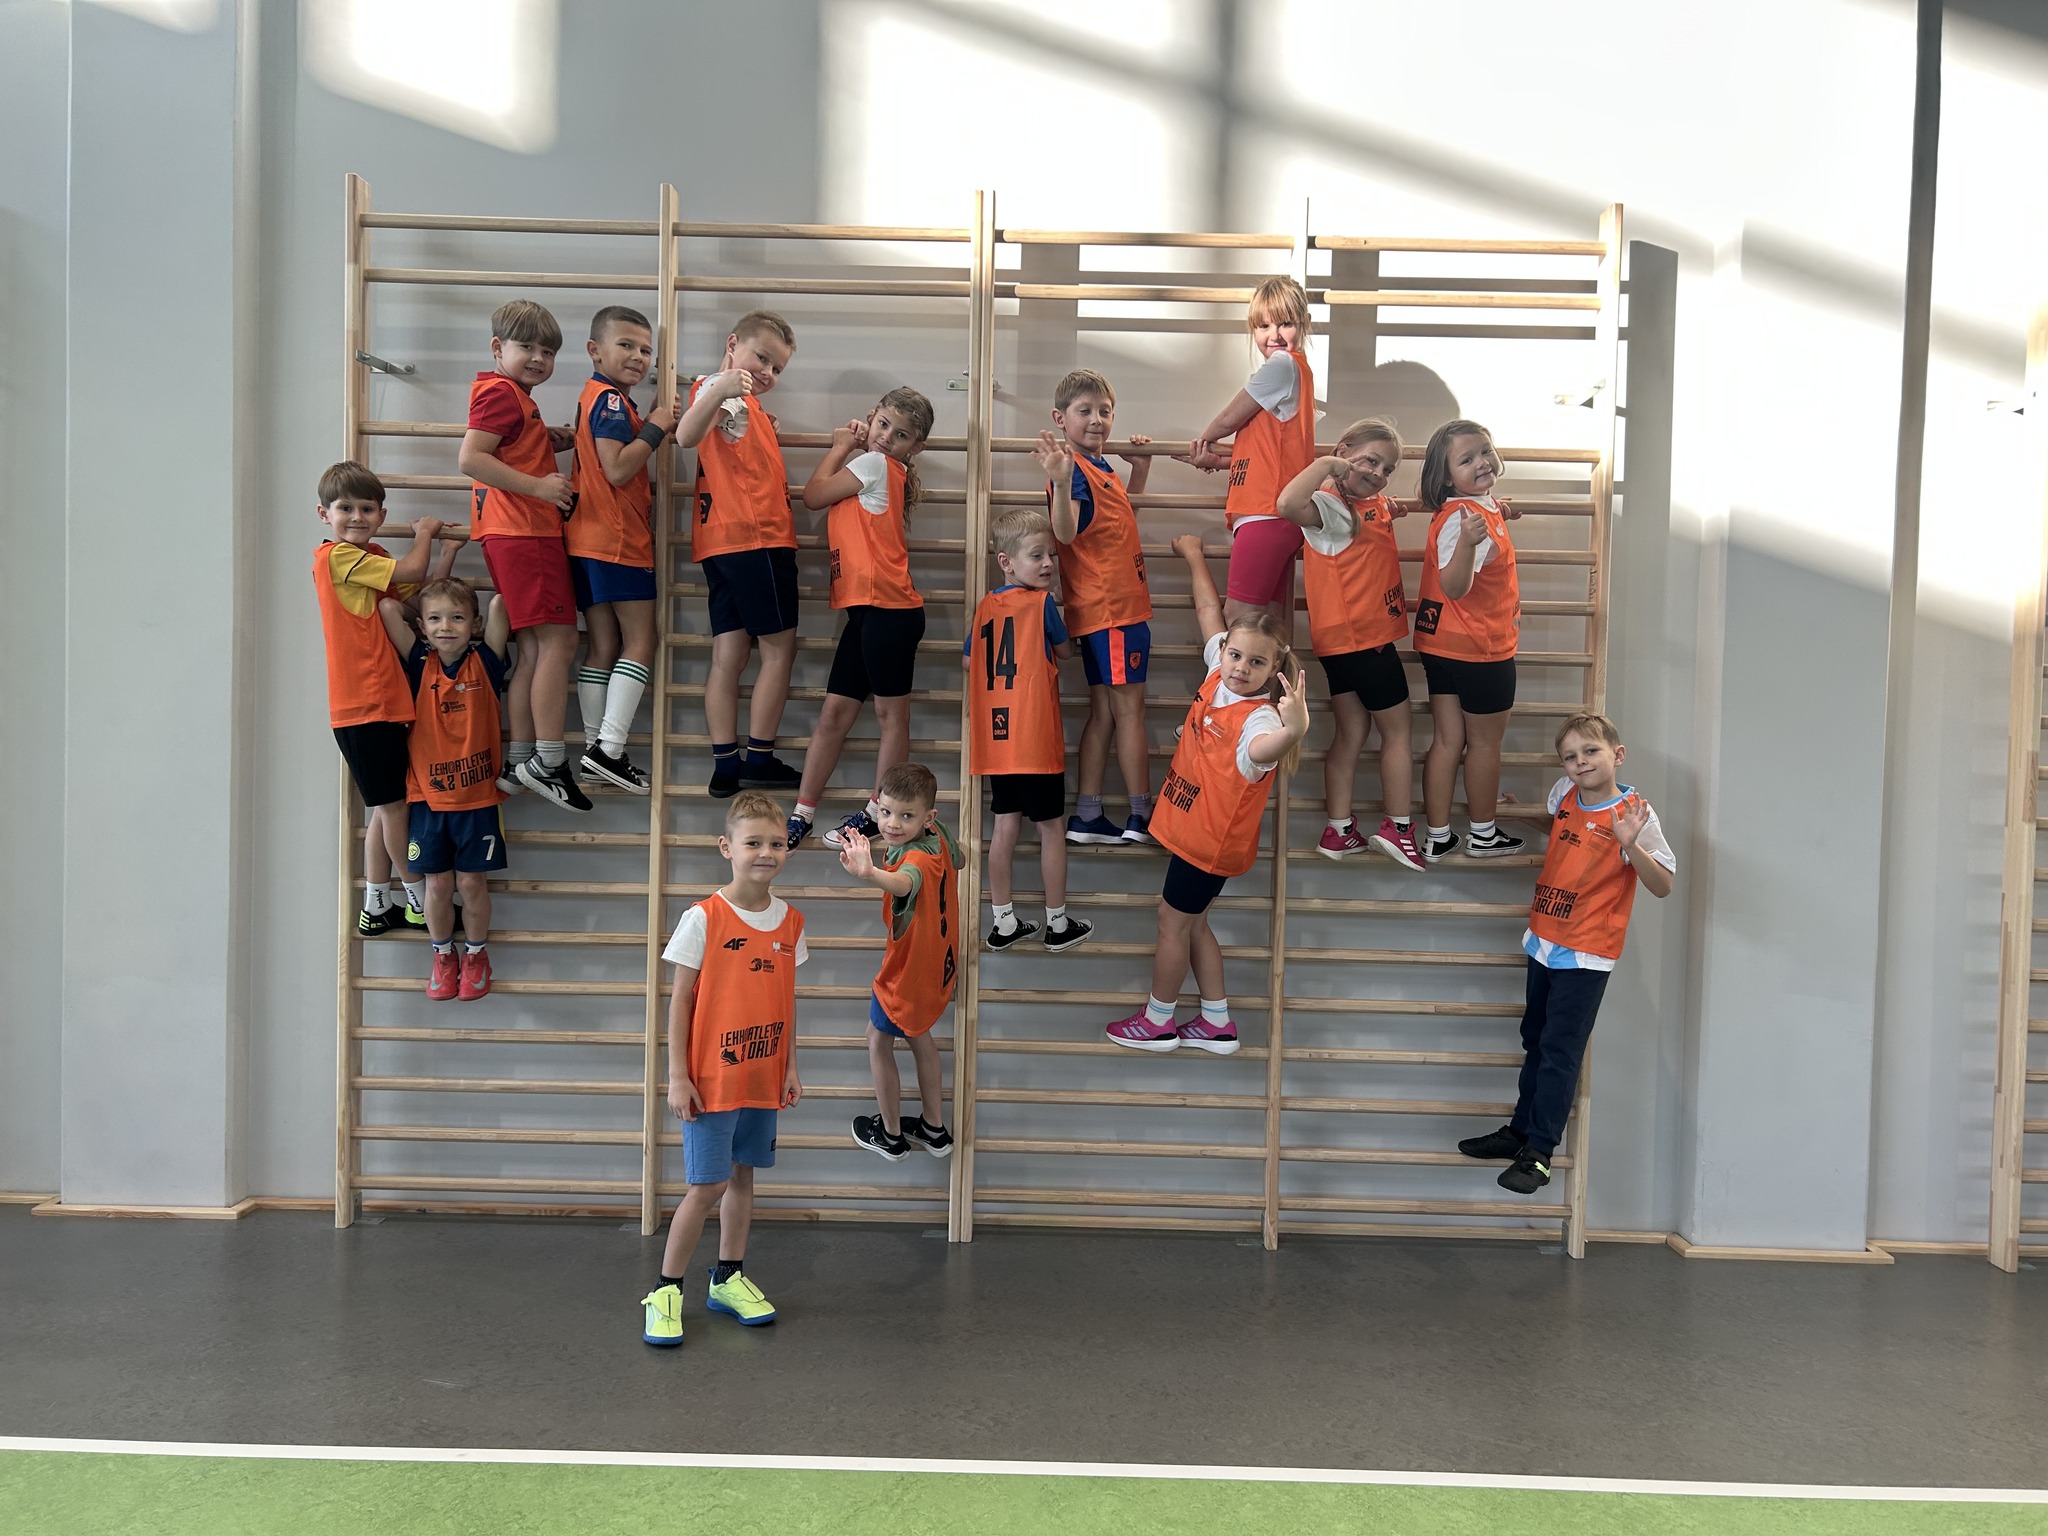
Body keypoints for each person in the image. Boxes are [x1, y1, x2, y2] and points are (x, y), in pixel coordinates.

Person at [1104, 536, 1308, 1055]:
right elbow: (1206, 611)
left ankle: (1158, 1020)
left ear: (1274, 672)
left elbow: (1264, 749)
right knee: (1194, 926)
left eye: (1256, 663)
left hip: (1208, 846)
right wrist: (1194, 556)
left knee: (1171, 924)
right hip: (1197, 835)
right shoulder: (1219, 672)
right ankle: (1217, 1022)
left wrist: (1295, 728)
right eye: (1236, 655)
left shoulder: (1259, 719)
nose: (1240, 667)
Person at [1458, 714, 1674, 1193]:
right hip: (1544, 940)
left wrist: (1631, 845)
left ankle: (1539, 1154)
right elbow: (1560, 826)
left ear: (1617, 755)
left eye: (1591, 751)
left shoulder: (1635, 814)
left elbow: (1663, 885)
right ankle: (1520, 1132)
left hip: (1587, 953)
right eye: (1570, 756)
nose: (1581, 762)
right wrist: (1520, 814)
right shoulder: (1565, 794)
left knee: (1560, 1052)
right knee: (1535, 1040)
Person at [642, 791, 806, 1347]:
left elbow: (785, 999)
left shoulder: (791, 922)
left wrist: (789, 1067)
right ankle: (665, 1289)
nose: (766, 853)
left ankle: (727, 1277)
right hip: (711, 1080)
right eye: (753, 842)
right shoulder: (703, 917)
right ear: (726, 847)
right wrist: (677, 1076)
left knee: (743, 1176)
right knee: (707, 1184)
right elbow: (680, 1003)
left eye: (777, 843)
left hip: (762, 1075)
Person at [786, 387, 936, 851]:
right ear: (872, 418)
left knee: (892, 717)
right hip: (867, 613)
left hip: (890, 612)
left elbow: (813, 496)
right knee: (834, 714)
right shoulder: (877, 466)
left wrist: (840, 447)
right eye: (883, 424)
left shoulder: (873, 464)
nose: (887, 437)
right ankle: (802, 811)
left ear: (916, 446)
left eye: (901, 434)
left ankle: (878, 813)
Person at [456, 298, 589, 813]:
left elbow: (502, 447)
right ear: (498, 347)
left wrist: (543, 439)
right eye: (527, 347)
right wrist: (538, 486)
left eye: (548, 351)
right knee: (559, 641)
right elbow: (471, 458)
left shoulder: (511, 396)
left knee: (535, 648)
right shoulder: (502, 394)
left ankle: (520, 759)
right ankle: (549, 762)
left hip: (509, 533)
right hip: (524, 533)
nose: (538, 358)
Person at [312, 459, 455, 936]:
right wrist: (426, 532)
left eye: (367, 508)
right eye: (345, 508)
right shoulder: (337, 557)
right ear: (324, 515)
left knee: (386, 805)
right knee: (395, 808)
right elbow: (412, 566)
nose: (357, 516)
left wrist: (446, 554)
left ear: (380, 514)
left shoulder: (370, 556)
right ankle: (416, 898)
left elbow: (417, 595)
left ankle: (376, 904)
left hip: (383, 700)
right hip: (363, 704)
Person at [1275, 418, 1424, 871]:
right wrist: (1325, 464)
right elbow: (1287, 504)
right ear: (1343, 452)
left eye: (1388, 469)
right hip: (1367, 641)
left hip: (1340, 645)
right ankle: (1398, 828)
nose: (1379, 474)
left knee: (1352, 733)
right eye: (1370, 461)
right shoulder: (1331, 507)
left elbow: (1372, 510)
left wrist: (1389, 505)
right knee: (1398, 733)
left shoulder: (1358, 503)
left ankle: (1338, 829)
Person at [674, 310, 803, 798]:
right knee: (778, 650)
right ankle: (760, 758)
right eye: (761, 358)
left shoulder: (738, 401)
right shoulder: (721, 390)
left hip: (723, 543)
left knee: (729, 654)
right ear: (733, 344)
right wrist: (725, 388)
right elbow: (685, 435)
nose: (768, 372)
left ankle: (725, 764)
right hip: (756, 540)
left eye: (778, 368)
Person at [966, 508, 1092, 952]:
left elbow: (967, 660)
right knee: (1050, 829)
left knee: (1004, 828)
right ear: (1006, 562)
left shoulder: (985, 607)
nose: (1048, 564)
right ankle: (1057, 923)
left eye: (1051, 556)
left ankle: (1003, 922)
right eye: (1037, 555)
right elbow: (1066, 652)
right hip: (1035, 739)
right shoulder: (1042, 605)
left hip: (997, 742)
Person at [1041, 369, 1157, 846]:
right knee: (1129, 712)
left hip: (1110, 611)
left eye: (1104, 411)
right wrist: (1060, 481)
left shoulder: (1099, 467)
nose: (1096, 420)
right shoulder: (1072, 470)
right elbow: (1065, 533)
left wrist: (1140, 470)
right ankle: (1141, 814)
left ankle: (1088, 814)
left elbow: (1118, 521)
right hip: (1112, 611)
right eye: (1084, 411)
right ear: (1060, 418)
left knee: (1107, 712)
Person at [379, 578, 510, 1001]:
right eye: (434, 619)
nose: (446, 627)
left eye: (456, 617)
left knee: (471, 884)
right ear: (422, 626)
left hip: (478, 800)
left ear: (474, 624)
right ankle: (442, 956)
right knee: (436, 886)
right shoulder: (420, 662)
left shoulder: (486, 661)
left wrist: (461, 605)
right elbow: (388, 610)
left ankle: (475, 956)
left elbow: (501, 603)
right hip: (428, 799)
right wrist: (423, 607)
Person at [566, 305, 678, 795]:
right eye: (626, 345)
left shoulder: (599, 396)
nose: (638, 356)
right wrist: (657, 428)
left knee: (603, 646)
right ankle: (609, 749)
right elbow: (617, 469)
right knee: (641, 642)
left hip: (586, 540)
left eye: (646, 350)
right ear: (595, 350)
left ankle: (596, 752)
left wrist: (649, 417)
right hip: (617, 541)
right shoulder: (611, 401)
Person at [837, 763, 963, 1161]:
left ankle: (891, 1136)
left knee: (877, 1040)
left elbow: (906, 881)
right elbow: (959, 861)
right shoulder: (939, 836)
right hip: (938, 963)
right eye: (887, 812)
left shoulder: (916, 862)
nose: (892, 824)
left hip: (907, 972)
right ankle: (934, 1128)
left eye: (906, 816)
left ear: (928, 817)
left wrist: (870, 872)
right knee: (920, 1037)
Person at [1183, 275, 1318, 640]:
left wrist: (1204, 439)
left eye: (1285, 323)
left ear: (1304, 323)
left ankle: (1238, 680)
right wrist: (1218, 461)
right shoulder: (1297, 372)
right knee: (1269, 622)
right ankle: (1277, 681)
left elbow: (1230, 418)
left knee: (1239, 616)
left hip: (1266, 512)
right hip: (1276, 514)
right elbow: (1271, 453)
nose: (1274, 335)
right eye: (1263, 326)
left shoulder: (1283, 365)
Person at [1414, 418, 1524, 860]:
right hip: (1479, 649)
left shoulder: (1472, 508)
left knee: (1447, 740)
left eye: (1485, 451)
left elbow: (1482, 522)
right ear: (1446, 477)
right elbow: (1455, 586)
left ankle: (1438, 835)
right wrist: (1467, 543)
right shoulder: (1466, 523)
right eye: (1467, 459)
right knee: (1483, 744)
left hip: (1442, 644)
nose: (1482, 462)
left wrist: (1500, 512)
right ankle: (1483, 834)